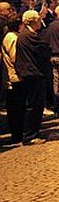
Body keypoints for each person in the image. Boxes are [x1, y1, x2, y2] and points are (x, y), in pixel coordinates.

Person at [14, 10, 52, 145]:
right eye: (39, 20)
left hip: (31, 73)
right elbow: (44, 48)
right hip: (33, 74)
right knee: (34, 105)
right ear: (34, 21)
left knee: (35, 105)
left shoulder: (26, 34)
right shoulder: (28, 35)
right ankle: (30, 136)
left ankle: (33, 132)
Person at [2, 13, 24, 144]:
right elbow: (16, 57)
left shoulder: (13, 36)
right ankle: (17, 134)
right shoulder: (12, 38)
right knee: (16, 107)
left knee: (17, 106)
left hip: (15, 75)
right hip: (14, 76)